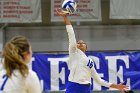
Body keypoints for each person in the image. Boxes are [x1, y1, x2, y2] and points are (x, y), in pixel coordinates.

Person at [56, 9, 129, 93]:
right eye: (78, 43)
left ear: (86, 48)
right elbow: (71, 34)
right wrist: (65, 18)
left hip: (86, 88)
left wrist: (116, 86)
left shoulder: (90, 62)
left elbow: (99, 81)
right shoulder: (73, 51)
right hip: (74, 86)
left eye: (82, 43)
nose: (80, 43)